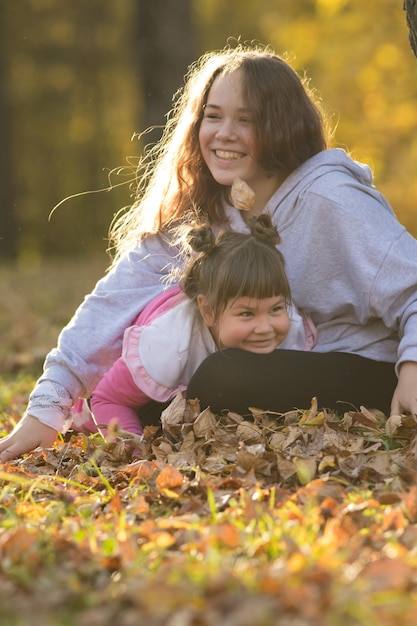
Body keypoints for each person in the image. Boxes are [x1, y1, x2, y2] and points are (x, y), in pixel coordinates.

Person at [1, 41, 417, 462]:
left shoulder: (332, 200)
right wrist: (48, 404)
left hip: (371, 371)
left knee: (220, 376)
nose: (224, 133)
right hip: (269, 365)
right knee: (147, 379)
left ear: (283, 125)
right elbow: (113, 302)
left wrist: (413, 368)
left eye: (246, 120)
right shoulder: (206, 210)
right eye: (213, 116)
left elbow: (412, 286)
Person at [73, 214, 316, 436]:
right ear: (208, 311)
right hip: (112, 408)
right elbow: (107, 399)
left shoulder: (291, 324)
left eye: (275, 309)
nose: (265, 327)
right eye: (247, 314)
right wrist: (132, 453)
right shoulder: (169, 341)